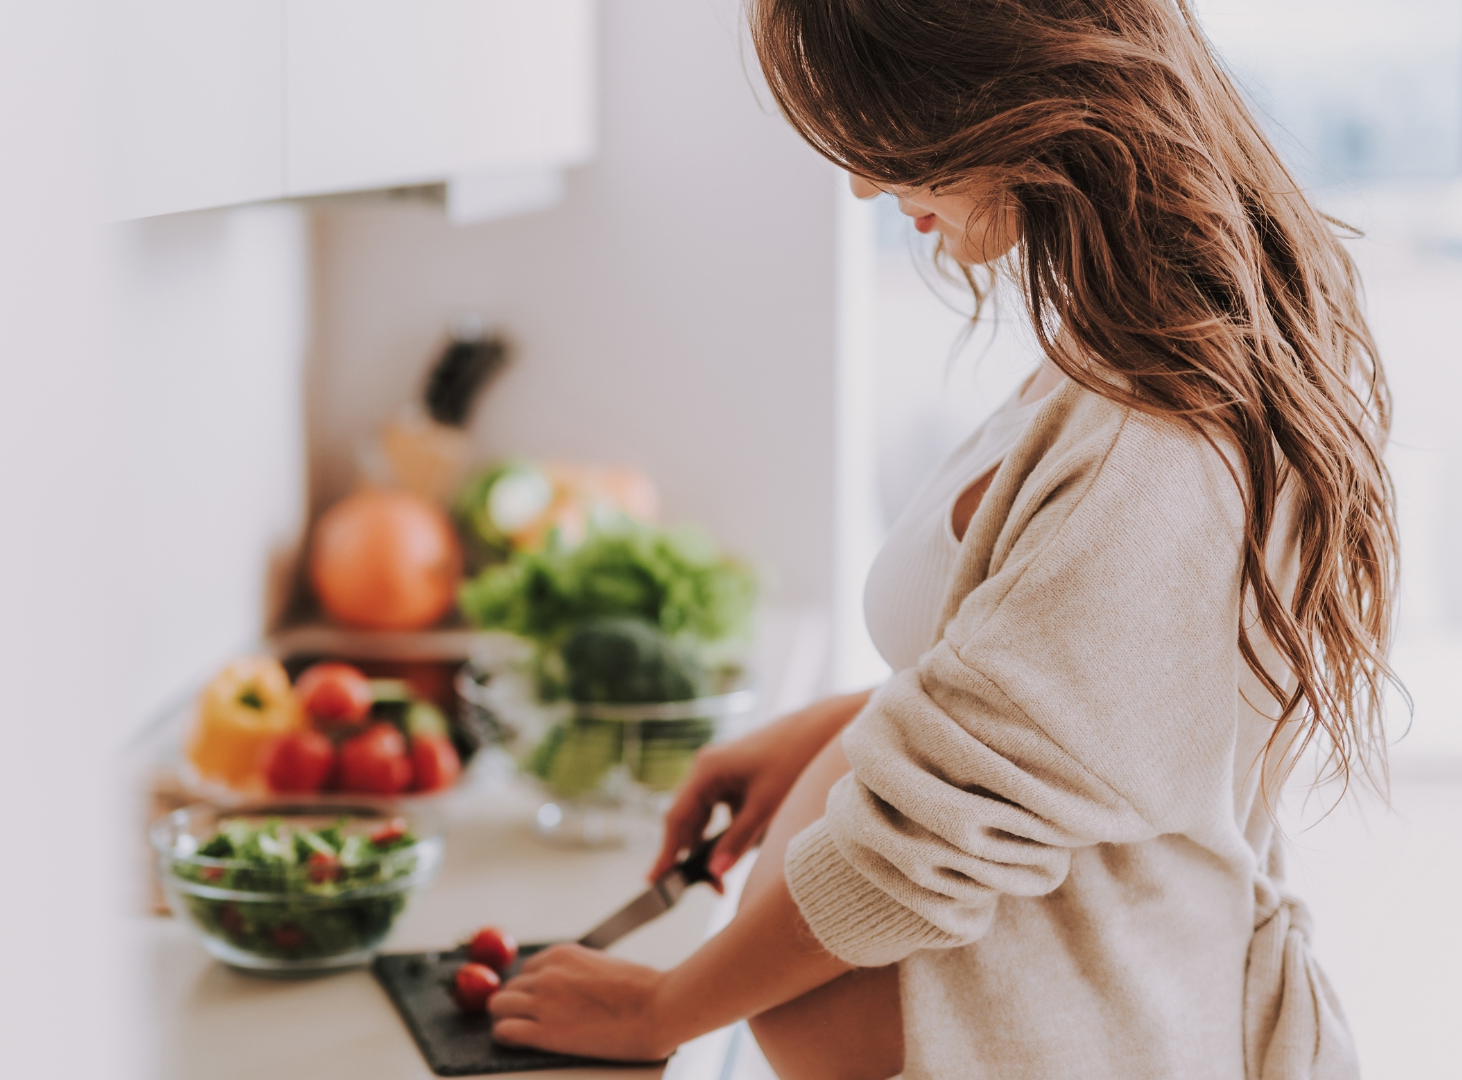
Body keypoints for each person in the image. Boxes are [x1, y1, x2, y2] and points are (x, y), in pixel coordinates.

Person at [486, 1, 1398, 1077]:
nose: (868, 185)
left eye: (886, 137)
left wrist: (663, 1012)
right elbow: (1081, 704)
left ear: (1003, 89)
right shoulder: (1141, 347)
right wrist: (847, 733)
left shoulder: (1159, 441)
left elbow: (926, 848)